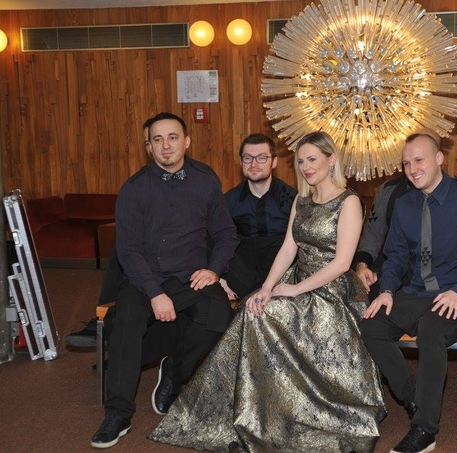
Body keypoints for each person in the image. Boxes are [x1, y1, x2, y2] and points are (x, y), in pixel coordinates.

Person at [149, 131, 386, 452]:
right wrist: (267, 288)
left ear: (331, 160)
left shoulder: (349, 201)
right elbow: (288, 248)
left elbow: (343, 263)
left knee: (273, 314)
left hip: (334, 291)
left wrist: (294, 289)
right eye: (300, 162)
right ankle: (258, 410)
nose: (306, 167)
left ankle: (298, 409)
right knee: (254, 308)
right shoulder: (301, 200)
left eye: (312, 160)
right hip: (297, 279)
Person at [90, 112, 239, 449]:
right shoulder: (134, 189)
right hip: (146, 277)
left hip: (192, 276)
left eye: (173, 137)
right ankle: (118, 413)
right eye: (157, 139)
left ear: (186, 141)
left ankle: (174, 370)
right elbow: (128, 251)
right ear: (149, 147)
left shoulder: (205, 180)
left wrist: (214, 270)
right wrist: (154, 293)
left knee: (218, 315)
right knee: (126, 321)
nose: (166, 145)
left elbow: (226, 234)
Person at [361, 133, 457, 453]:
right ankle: (414, 398)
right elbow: (396, 257)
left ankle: (424, 429)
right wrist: (386, 290)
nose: (412, 169)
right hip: (417, 292)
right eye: (406, 163)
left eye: (419, 160)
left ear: (439, 159)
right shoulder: (404, 204)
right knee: (371, 325)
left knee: (430, 330)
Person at [66, 118, 156, 348]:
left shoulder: (194, 176)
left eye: (156, 140)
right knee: (123, 251)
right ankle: (105, 319)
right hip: (150, 244)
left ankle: (108, 323)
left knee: (128, 254)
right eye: (148, 142)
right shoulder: (139, 182)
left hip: (183, 248)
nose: (153, 147)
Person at [353, 129, 440, 299]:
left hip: (437, 275)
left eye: (420, 158)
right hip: (391, 268)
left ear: (438, 156)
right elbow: (373, 233)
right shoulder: (388, 191)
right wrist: (362, 265)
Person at [220, 133, 297, 300]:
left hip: (281, 274)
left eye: (262, 158)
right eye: (248, 158)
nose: (254, 164)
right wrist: (220, 277)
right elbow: (218, 243)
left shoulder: (292, 199)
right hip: (243, 277)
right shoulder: (228, 201)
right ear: (241, 162)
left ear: (274, 162)